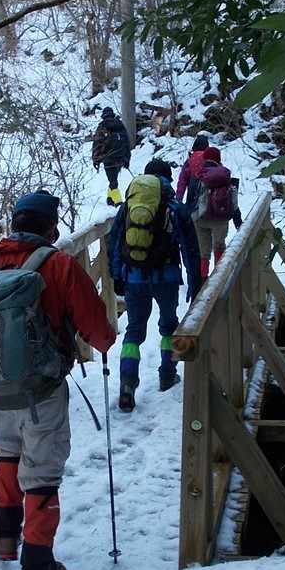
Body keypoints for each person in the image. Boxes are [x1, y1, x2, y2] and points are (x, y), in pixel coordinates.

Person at [0, 189, 117, 570]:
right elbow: (95, 328)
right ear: (50, 227)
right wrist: (107, 342)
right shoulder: (58, 264)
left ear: (15, 222)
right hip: (42, 390)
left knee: (9, 453)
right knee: (42, 471)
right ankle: (37, 568)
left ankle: (5, 539)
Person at [109, 158, 201, 410]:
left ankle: (127, 382)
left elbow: (115, 243)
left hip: (133, 278)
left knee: (134, 330)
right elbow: (190, 250)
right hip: (166, 278)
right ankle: (167, 375)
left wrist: (117, 276)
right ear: (168, 180)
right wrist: (196, 286)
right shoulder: (175, 207)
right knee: (169, 325)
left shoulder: (128, 206)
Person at [192, 146, 243, 282]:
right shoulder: (224, 174)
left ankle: (203, 281)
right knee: (219, 246)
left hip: (201, 217)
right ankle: (219, 278)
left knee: (204, 252)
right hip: (221, 217)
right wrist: (237, 220)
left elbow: (192, 198)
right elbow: (232, 198)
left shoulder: (199, 174)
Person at [91, 107, 132, 205]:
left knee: (113, 180)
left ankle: (118, 202)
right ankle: (110, 199)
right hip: (121, 157)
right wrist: (127, 159)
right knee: (113, 178)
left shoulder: (102, 126)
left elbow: (97, 142)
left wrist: (95, 158)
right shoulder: (120, 125)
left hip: (108, 158)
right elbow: (127, 141)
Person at [174, 133, 210, 210]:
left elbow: (182, 183)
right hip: (211, 199)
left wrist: (178, 201)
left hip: (193, 199)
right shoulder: (212, 160)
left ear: (194, 148)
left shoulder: (190, 162)